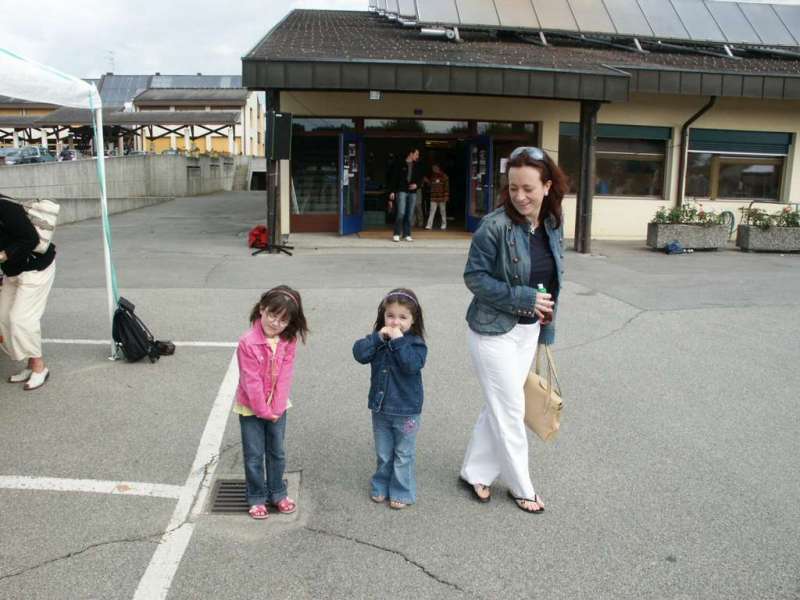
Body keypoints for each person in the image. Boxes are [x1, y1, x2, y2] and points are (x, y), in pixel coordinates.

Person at [460, 146, 567, 514]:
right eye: (513, 188)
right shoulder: (493, 227)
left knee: (499, 405)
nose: (520, 196)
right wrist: (522, 298)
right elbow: (473, 278)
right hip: (492, 332)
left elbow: (554, 281)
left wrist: (546, 329)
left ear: (547, 186)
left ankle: (475, 471)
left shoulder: (552, 223)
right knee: (510, 408)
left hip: (528, 332)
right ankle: (522, 487)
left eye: (528, 188)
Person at [235, 285, 309, 520]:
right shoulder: (247, 342)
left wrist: (276, 409)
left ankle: (278, 492)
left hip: (277, 408)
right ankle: (256, 496)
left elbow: (285, 375)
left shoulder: (288, 340)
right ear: (262, 310)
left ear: (291, 324)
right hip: (251, 408)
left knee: (276, 451)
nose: (276, 323)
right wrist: (263, 411)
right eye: (272, 315)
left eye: (283, 320)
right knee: (254, 454)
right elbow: (251, 380)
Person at [353, 288, 427, 509]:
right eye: (391, 316)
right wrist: (378, 338)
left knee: (403, 453)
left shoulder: (415, 344)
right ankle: (380, 485)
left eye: (403, 317)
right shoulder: (378, 340)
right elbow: (359, 354)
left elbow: (411, 365)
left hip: (406, 410)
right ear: (383, 316)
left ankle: (401, 491)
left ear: (413, 321)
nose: (395, 322)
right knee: (384, 452)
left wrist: (397, 341)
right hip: (381, 407)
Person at [0, 194, 57, 391]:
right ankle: (30, 365)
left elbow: (31, 239)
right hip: (12, 272)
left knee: (21, 319)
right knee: (3, 318)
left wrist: (3, 254)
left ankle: (40, 368)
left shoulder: (5, 209)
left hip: (35, 269)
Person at [388, 148, 423, 242]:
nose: (417, 156)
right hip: (401, 190)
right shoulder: (400, 164)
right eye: (416, 154)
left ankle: (407, 234)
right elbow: (394, 178)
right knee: (401, 212)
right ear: (411, 154)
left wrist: (417, 185)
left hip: (413, 192)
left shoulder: (418, 165)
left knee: (410, 214)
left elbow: (421, 179)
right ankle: (396, 233)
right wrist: (392, 191)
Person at [425, 163, 450, 230]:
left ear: (438, 168)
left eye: (434, 168)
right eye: (433, 168)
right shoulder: (433, 176)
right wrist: (427, 182)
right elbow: (431, 185)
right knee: (432, 211)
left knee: (442, 211)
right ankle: (429, 225)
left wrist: (446, 196)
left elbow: (447, 187)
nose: (433, 169)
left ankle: (444, 224)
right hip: (433, 197)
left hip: (442, 197)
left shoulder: (444, 176)